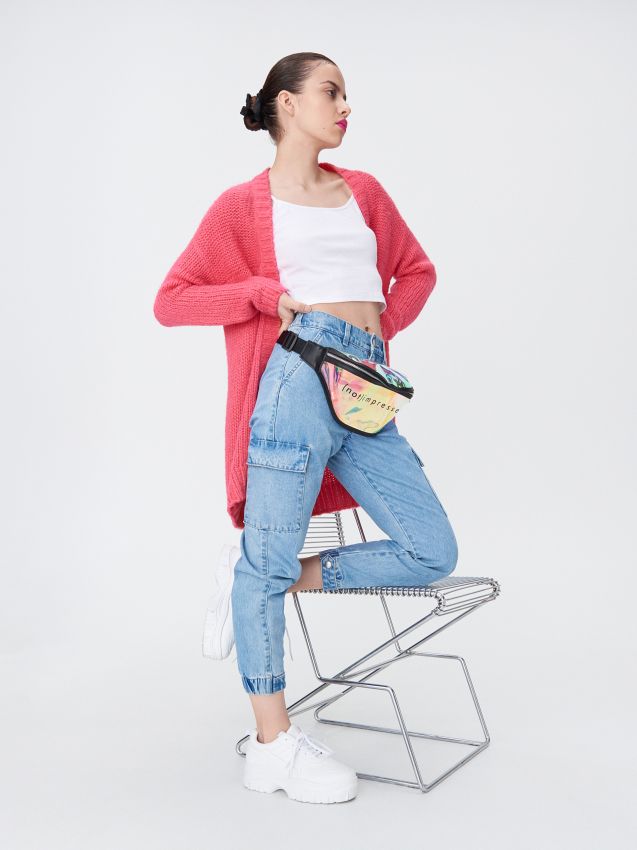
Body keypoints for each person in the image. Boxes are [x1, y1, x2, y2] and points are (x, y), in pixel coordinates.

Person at [154, 51, 458, 804]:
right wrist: (261, 294)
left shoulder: (364, 192)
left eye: (346, 94)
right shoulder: (241, 206)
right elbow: (173, 299)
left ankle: (259, 571)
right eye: (331, 92)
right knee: (266, 560)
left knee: (431, 551)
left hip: (363, 386)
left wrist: (376, 334)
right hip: (293, 377)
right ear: (286, 104)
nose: (345, 105)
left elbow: (416, 272)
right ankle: (272, 744)